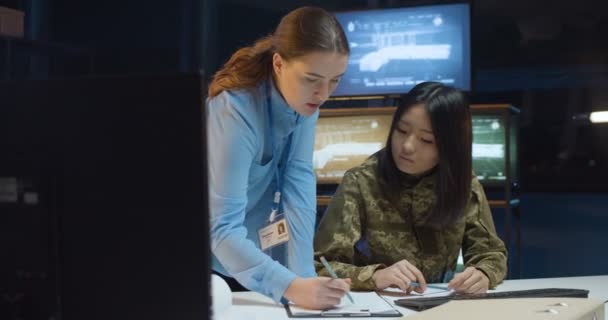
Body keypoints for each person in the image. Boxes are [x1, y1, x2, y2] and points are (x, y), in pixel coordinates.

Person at [207, 7, 351, 309]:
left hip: (261, 261)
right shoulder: (234, 109)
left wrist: (306, 280)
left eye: (335, 80)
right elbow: (221, 229)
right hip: (215, 265)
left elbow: (298, 186)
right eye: (312, 78)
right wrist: (291, 286)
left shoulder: (306, 103)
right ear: (278, 64)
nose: (323, 94)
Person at [314, 82, 507, 294]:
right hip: (381, 305)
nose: (407, 146)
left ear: (450, 147)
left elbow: (490, 252)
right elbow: (322, 265)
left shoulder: (462, 183)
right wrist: (375, 276)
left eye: (426, 140)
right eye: (401, 130)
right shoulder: (361, 182)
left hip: (439, 302)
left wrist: (483, 273)